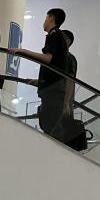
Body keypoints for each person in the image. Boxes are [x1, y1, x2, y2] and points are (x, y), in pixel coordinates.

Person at [18, 8, 70, 139]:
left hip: (52, 90)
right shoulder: (58, 36)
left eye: (46, 18)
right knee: (50, 124)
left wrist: (24, 51)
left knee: (50, 125)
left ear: (51, 18)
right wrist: (39, 81)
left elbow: (48, 58)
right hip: (53, 88)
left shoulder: (54, 34)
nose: (44, 21)